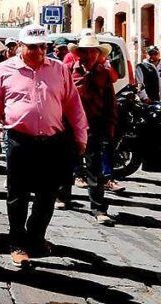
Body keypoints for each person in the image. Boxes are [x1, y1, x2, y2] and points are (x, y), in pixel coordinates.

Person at [0, 24, 88, 267]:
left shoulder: (59, 69)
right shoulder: (3, 70)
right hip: (20, 140)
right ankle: (17, 242)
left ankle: (35, 236)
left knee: (48, 194)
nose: (39, 52)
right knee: (17, 195)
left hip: (53, 142)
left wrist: (81, 136)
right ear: (20, 47)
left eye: (43, 47)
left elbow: (73, 104)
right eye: (33, 47)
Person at [56, 31, 116, 226]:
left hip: (95, 124)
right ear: (78, 53)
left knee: (94, 167)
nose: (89, 55)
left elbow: (110, 101)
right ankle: (63, 197)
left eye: (93, 51)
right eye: (85, 51)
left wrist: (110, 126)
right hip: (69, 123)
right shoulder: (67, 70)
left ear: (98, 54)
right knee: (65, 163)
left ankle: (98, 208)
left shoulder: (103, 73)